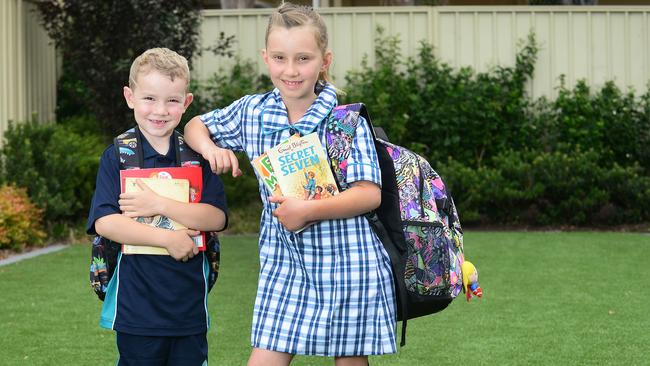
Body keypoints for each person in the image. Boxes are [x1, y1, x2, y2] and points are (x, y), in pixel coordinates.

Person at [183, 3, 396, 366]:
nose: (291, 70)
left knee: (349, 361)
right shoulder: (252, 112)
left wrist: (307, 211)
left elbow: (369, 194)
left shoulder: (346, 122)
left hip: (347, 265)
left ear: (324, 61)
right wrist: (210, 149)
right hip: (283, 264)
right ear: (266, 58)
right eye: (280, 58)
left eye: (303, 58)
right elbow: (195, 125)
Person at [86, 47, 228, 366]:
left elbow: (216, 217)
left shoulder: (197, 155)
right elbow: (106, 222)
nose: (160, 110)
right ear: (130, 96)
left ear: (186, 102)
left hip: (188, 303)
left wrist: (159, 203)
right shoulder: (119, 156)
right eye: (149, 98)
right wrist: (167, 238)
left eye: (172, 100)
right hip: (136, 304)